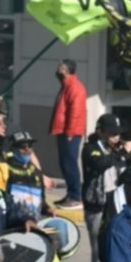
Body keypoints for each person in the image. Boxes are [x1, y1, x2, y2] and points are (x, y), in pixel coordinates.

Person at [82, 113, 128, 262]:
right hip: (97, 203)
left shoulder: (118, 151)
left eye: (117, 134)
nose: (115, 138)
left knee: (118, 244)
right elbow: (99, 163)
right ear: (101, 132)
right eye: (111, 134)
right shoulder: (91, 148)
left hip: (115, 200)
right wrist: (119, 153)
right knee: (99, 246)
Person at [49, 59, 88, 208]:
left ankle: (76, 196)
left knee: (70, 163)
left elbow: (75, 113)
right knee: (65, 163)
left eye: (61, 68)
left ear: (67, 70)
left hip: (70, 132)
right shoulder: (65, 86)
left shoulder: (75, 88)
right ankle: (70, 194)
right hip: (63, 131)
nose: (58, 70)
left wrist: (70, 132)